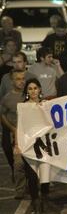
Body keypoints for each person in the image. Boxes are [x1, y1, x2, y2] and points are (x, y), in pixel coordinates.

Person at [16, 79, 50, 214]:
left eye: (35, 88)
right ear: (27, 92)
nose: (33, 91)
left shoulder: (47, 105)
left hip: (45, 146)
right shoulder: (23, 107)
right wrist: (17, 144)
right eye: (30, 89)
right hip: (29, 145)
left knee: (45, 175)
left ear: (40, 89)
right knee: (31, 176)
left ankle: (44, 199)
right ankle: (35, 203)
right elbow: (20, 127)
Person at [0, 69, 25, 198]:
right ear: (12, 81)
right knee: (18, 164)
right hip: (16, 137)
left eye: (23, 78)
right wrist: (12, 128)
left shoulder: (29, 95)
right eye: (18, 79)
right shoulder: (7, 98)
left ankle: (34, 188)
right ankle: (20, 190)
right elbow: (2, 114)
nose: (21, 82)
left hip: (29, 135)